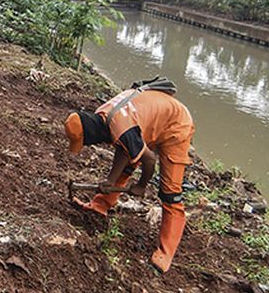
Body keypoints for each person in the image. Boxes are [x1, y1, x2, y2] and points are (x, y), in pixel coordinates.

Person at [64, 77, 195, 273]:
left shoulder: (121, 127)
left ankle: (165, 252)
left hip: (175, 123)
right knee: (128, 161)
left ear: (90, 137)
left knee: (170, 192)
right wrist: (110, 180)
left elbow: (149, 160)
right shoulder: (104, 114)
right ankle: (99, 206)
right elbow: (122, 145)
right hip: (150, 120)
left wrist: (142, 185)